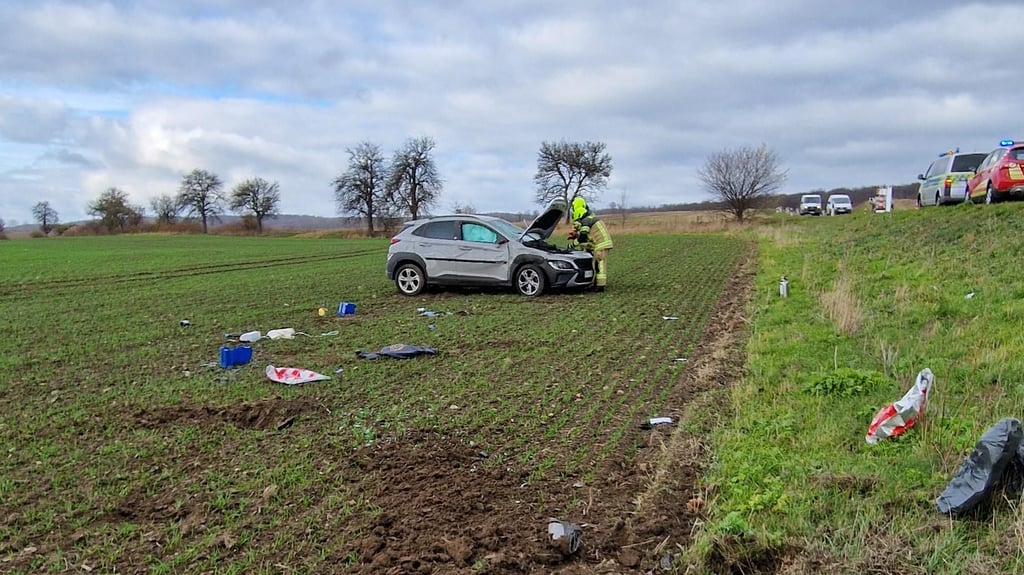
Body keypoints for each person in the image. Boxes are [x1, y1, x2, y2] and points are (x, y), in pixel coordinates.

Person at [567, 196, 613, 291]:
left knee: (599, 265)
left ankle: (600, 286)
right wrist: (575, 235)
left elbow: (583, 238)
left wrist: (571, 245)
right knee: (597, 264)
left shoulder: (586, 221)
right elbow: (587, 234)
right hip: (601, 243)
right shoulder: (589, 217)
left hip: (601, 244)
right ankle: (597, 284)